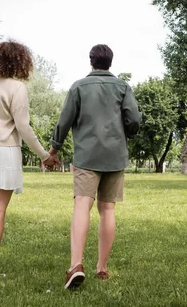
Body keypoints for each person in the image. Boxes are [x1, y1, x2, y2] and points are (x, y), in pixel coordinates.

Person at [0, 40, 59, 290]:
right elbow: (23, 128)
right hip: (4, 152)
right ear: (20, 62)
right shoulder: (17, 88)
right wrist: (43, 155)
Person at [49, 44, 141, 290]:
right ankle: (102, 268)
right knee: (107, 210)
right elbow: (134, 119)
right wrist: (126, 132)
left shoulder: (78, 87)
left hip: (87, 157)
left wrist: (53, 150)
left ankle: (76, 265)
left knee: (82, 206)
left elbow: (64, 120)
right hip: (114, 156)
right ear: (110, 62)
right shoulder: (123, 87)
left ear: (91, 62)